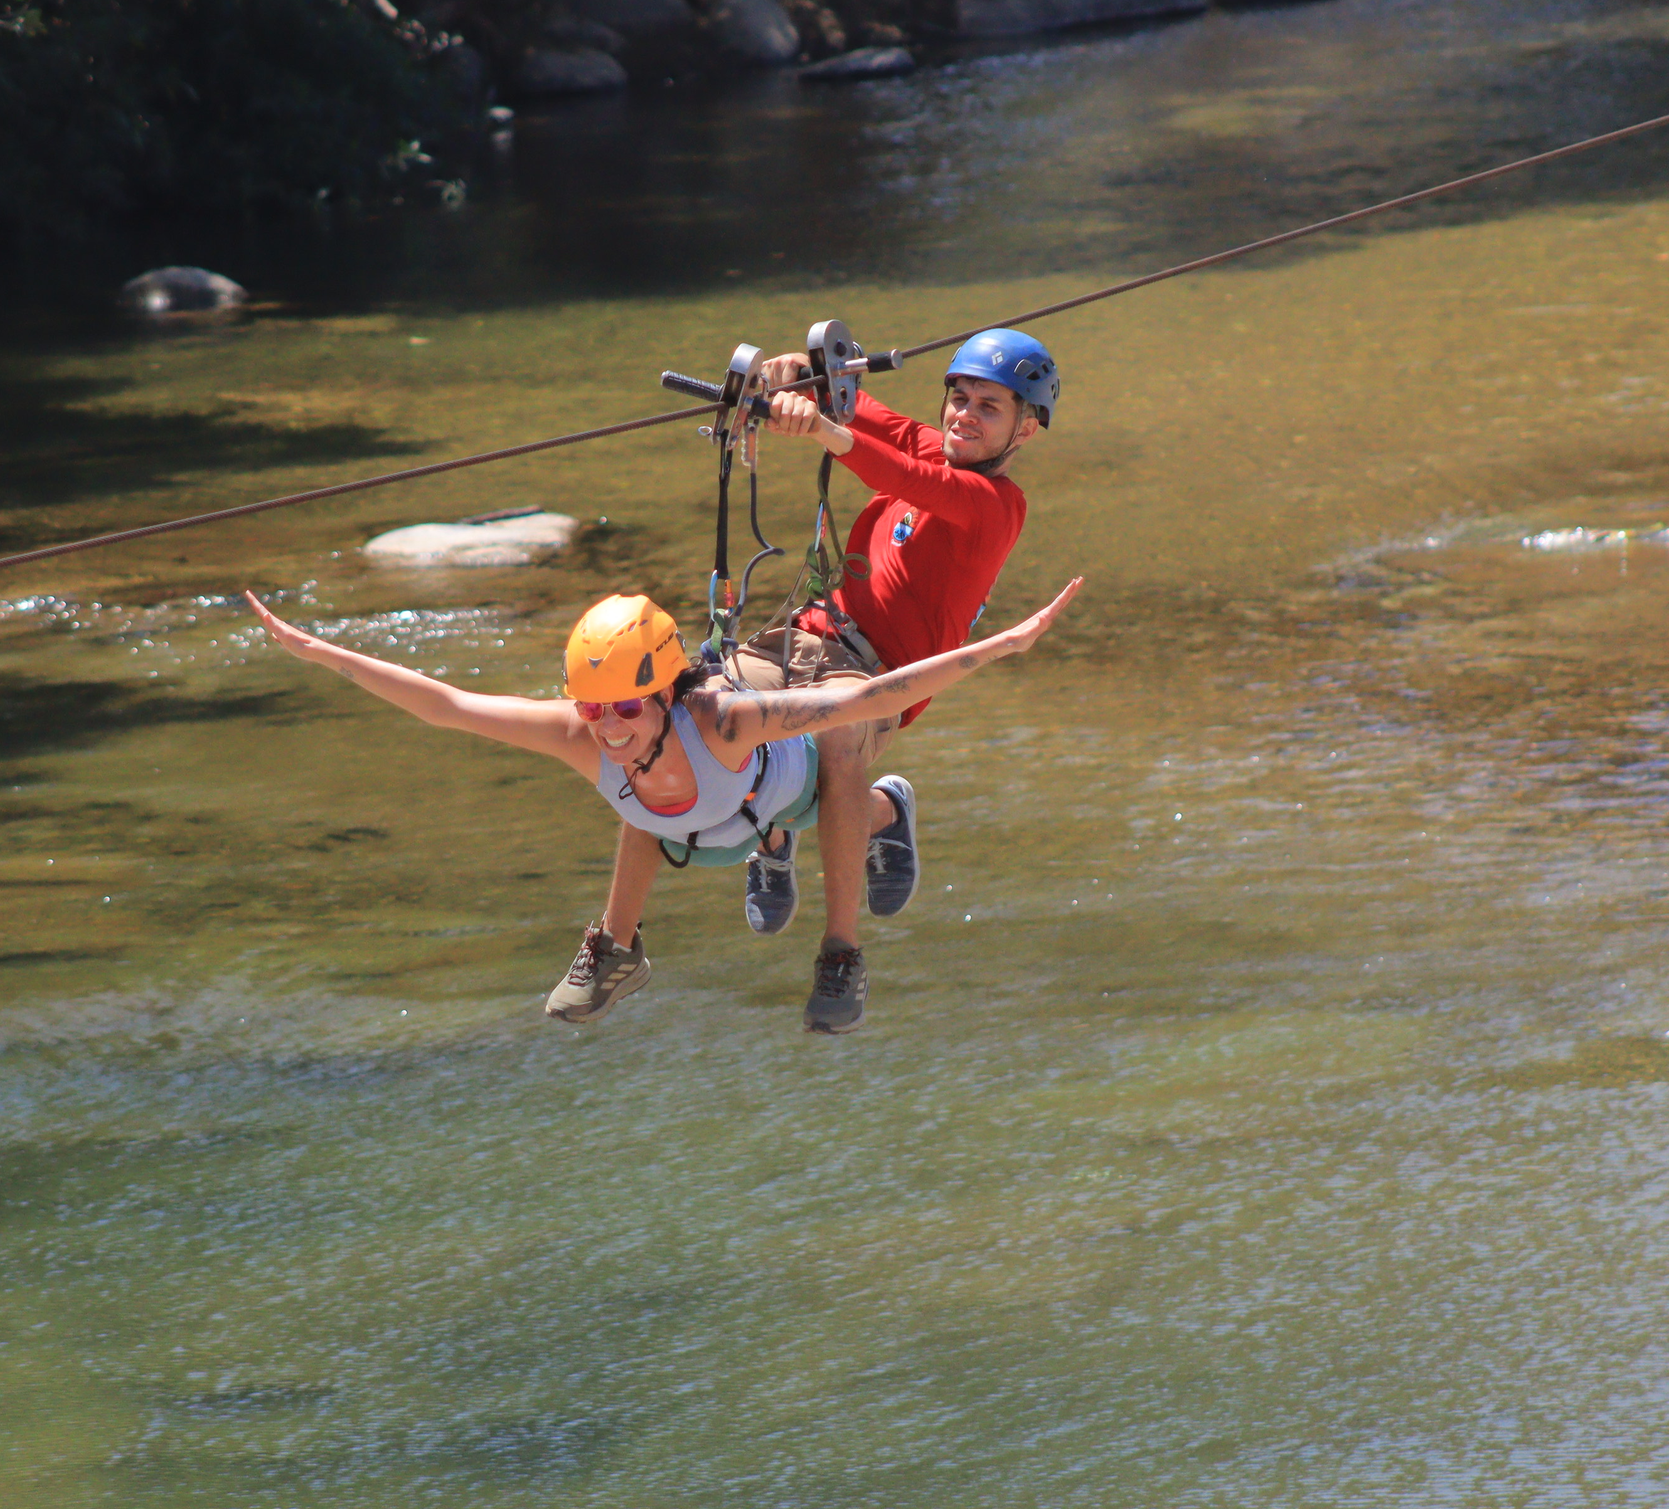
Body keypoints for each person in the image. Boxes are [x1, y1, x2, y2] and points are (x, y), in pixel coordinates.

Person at [245, 576, 1082, 1033]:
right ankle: (617, 950)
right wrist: (319, 651)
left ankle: (841, 945)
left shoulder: (723, 721)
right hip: (701, 839)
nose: (606, 727)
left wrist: (998, 646)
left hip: (776, 796)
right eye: (593, 708)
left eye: (627, 707)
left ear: (663, 690)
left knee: (839, 751)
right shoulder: (581, 733)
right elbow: (448, 705)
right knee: (633, 800)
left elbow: (876, 698)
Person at [729, 327, 1060, 1007]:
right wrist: (797, 374)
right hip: (813, 635)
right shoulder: (929, 442)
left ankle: (841, 951)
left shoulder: (997, 507)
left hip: (880, 677)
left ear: (1024, 432)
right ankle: (778, 831)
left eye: (988, 407)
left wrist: (822, 429)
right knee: (708, 696)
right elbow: (856, 403)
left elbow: (900, 475)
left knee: (836, 735)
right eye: (958, 397)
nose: (964, 414)